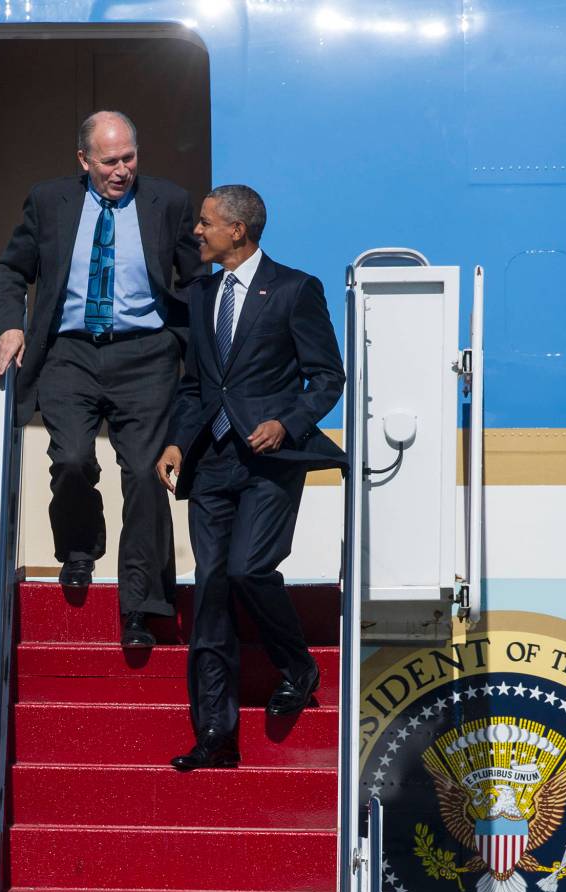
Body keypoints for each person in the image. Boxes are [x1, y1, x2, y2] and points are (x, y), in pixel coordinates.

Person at [0, 111, 204, 647]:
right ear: (83, 161)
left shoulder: (169, 201)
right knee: (71, 460)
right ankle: (79, 550)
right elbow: (11, 270)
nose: (122, 170)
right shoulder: (48, 201)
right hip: (69, 353)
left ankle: (143, 606)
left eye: (129, 157)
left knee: (147, 477)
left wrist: (197, 343)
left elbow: (196, 277)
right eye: (109, 161)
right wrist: (9, 326)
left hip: (147, 354)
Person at [156, 185, 346, 770]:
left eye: (206, 223)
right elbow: (197, 387)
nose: (197, 232)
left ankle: (298, 665)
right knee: (211, 588)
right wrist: (175, 443)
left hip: (268, 462)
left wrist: (286, 424)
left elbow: (327, 379)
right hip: (210, 462)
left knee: (248, 569)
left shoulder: (295, 289)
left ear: (237, 230)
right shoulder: (200, 292)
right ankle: (216, 736)